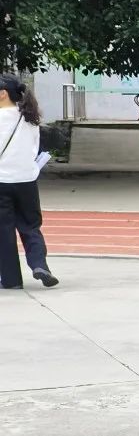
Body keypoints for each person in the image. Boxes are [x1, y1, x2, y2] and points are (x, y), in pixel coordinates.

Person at [0, 74, 58, 289]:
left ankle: (11, 280)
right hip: (27, 180)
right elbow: (34, 149)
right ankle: (39, 265)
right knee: (31, 226)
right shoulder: (30, 118)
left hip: (2, 181)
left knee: (4, 232)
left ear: (3, 93)